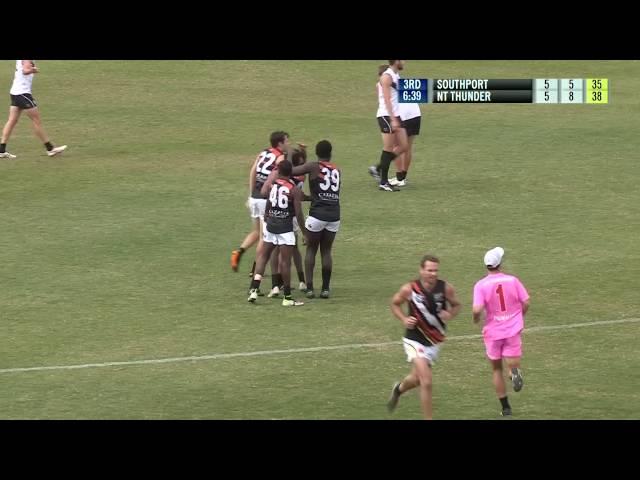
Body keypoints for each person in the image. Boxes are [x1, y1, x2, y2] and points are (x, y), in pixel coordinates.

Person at [387, 255, 461, 419]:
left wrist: (449, 314)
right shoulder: (410, 289)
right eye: (429, 270)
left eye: (436, 270)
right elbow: (394, 303)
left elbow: (457, 305)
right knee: (427, 381)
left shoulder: (445, 288)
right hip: (413, 339)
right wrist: (404, 319)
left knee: (416, 379)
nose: (433, 273)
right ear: (421, 270)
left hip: (434, 341)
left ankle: (398, 389)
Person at [472, 247, 530, 417]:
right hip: (512, 329)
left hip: (493, 332)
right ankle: (514, 373)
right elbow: (526, 301)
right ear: (500, 263)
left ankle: (506, 408)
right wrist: (520, 315)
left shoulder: (480, 285)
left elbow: (477, 309)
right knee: (513, 362)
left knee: (496, 369)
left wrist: (476, 318)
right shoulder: (512, 280)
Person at [247, 159, 307, 306]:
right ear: (290, 172)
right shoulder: (293, 189)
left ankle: (254, 289)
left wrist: (267, 215)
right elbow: (298, 213)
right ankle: (287, 297)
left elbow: (268, 202)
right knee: (286, 262)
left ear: (278, 172)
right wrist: (304, 232)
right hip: (285, 229)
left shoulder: (273, 186)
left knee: (263, 257)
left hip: (271, 225)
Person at [230, 131, 289, 280]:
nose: (288, 144)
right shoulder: (280, 157)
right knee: (264, 237)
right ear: (280, 143)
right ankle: (256, 270)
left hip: (255, 197)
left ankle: (239, 252)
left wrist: (250, 194)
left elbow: (253, 171)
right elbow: (277, 177)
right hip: (265, 200)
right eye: (287, 141)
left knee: (256, 232)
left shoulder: (263, 152)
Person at [291, 140, 341, 299]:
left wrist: (289, 155)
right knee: (326, 250)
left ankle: (310, 288)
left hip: (317, 214)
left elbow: (292, 170)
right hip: (334, 214)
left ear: (317, 153)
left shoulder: (313, 166)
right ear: (330, 153)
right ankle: (326, 289)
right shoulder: (337, 169)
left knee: (311, 249)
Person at [0, 60, 67, 159]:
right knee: (36, 121)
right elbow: (25, 71)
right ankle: (50, 149)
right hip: (23, 94)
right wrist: (33, 70)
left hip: (15, 92)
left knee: (12, 121)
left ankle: (1, 150)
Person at [369, 61, 409, 192]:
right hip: (387, 116)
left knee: (404, 146)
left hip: (396, 115)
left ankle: (378, 168)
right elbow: (386, 100)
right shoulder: (386, 76)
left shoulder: (396, 76)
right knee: (388, 149)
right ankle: (384, 182)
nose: (405, 62)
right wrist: (393, 119)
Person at [389, 95, 421, 187]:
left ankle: (400, 178)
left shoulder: (389, 82)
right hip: (415, 114)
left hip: (402, 115)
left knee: (397, 145)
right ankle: (402, 177)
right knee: (408, 147)